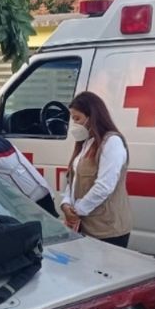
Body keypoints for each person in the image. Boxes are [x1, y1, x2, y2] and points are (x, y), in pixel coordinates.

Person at [60, 91, 133, 248]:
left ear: (92, 116)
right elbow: (72, 180)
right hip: (84, 226)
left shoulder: (111, 142)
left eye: (77, 118)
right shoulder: (85, 143)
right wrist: (66, 204)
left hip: (107, 230)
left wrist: (77, 210)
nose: (74, 124)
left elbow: (104, 186)